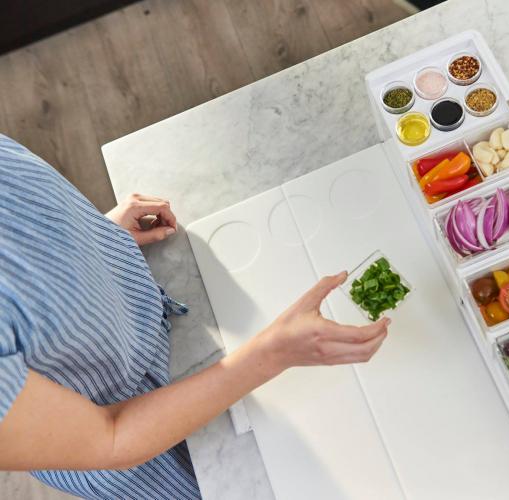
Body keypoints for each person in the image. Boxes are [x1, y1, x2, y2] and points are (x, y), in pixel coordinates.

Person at [0, 133, 390, 499]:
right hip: (144, 441)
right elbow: (109, 439)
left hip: (154, 325)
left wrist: (96, 239)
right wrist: (274, 352)